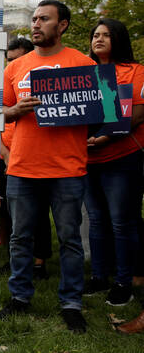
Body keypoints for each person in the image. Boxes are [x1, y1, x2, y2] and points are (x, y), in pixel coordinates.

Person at [0, 0, 96, 333]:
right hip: (23, 167)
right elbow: (0, 112)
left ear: (62, 25)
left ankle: (71, 303)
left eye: (44, 19)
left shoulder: (83, 63)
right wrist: (14, 112)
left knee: (69, 240)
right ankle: (19, 297)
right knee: (19, 238)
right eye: (34, 19)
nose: (36, 24)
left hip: (67, 168)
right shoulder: (15, 67)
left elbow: (100, 112)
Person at [82, 18, 144, 306]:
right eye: (96, 35)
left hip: (122, 156)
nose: (99, 39)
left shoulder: (136, 71)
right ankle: (98, 276)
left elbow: (138, 115)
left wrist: (106, 137)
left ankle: (123, 281)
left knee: (122, 222)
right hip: (88, 157)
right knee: (96, 220)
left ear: (118, 39)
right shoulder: (83, 72)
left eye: (106, 35)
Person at [0, 38, 53, 280]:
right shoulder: (6, 81)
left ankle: (39, 262)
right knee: (10, 213)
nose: (12, 64)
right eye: (9, 60)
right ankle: (16, 260)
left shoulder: (43, 82)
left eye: (17, 59)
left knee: (38, 212)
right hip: (6, 157)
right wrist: (6, 155)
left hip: (35, 158)